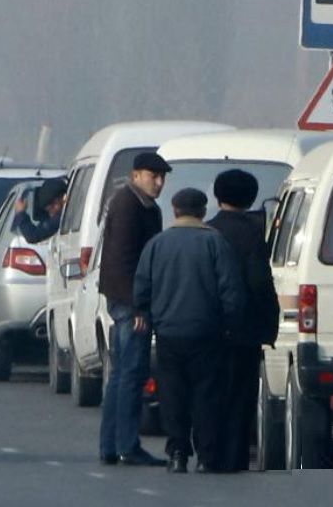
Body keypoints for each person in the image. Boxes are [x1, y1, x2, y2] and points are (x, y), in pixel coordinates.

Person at [133, 188, 244, 474]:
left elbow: (142, 286)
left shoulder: (157, 244)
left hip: (168, 333)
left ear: (174, 210)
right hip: (207, 332)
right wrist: (230, 324)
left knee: (173, 395)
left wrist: (145, 313)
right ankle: (207, 457)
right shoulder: (216, 243)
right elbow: (231, 290)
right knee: (206, 395)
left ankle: (177, 453)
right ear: (203, 211)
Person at [97, 151, 172, 467]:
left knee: (122, 374)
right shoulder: (129, 205)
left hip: (129, 300)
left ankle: (112, 445)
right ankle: (126, 444)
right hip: (131, 303)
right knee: (131, 372)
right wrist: (139, 306)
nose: (158, 182)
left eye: (162, 177)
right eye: (152, 176)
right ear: (136, 175)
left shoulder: (143, 206)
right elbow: (125, 260)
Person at [206, 169, 279, 472]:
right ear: (250, 198)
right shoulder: (253, 235)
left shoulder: (206, 231)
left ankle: (209, 454)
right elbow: (260, 282)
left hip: (208, 327)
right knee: (240, 396)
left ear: (217, 195)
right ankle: (234, 457)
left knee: (210, 392)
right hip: (245, 329)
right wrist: (268, 323)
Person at [14, 176, 68, 244]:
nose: (52, 214)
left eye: (53, 207)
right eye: (48, 210)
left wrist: (20, 213)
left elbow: (33, 236)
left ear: (64, 198)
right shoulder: (64, 216)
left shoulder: (64, 216)